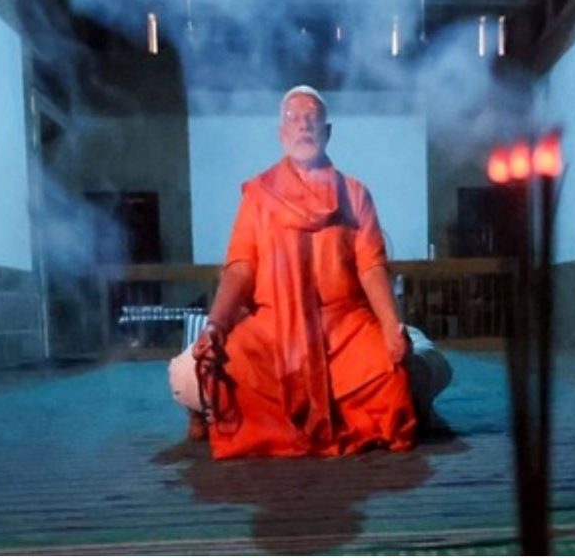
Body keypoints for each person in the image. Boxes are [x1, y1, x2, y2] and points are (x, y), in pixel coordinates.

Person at [169, 85, 417, 459]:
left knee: (392, 370)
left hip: (342, 326)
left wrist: (389, 326)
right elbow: (240, 268)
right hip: (274, 329)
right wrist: (216, 326)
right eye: (293, 119)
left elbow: (370, 266)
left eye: (312, 118)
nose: (303, 126)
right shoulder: (258, 195)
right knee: (215, 367)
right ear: (280, 134)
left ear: (327, 131)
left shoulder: (355, 193)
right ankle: (207, 411)